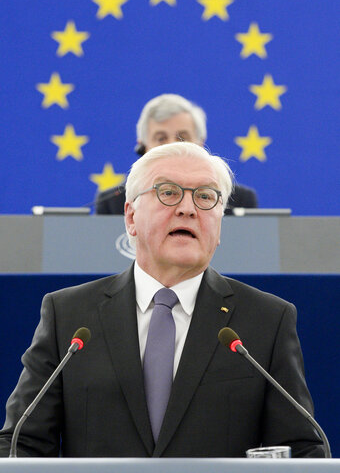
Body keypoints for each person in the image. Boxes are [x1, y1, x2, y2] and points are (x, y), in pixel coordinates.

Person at [0, 142, 324, 458]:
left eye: (206, 197)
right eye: (168, 192)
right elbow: (20, 445)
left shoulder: (267, 320)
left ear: (220, 223)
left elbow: (302, 450)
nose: (188, 208)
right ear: (130, 217)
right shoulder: (69, 316)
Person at [96, 94, 257, 215]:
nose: (172, 145)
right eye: (161, 138)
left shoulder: (238, 200)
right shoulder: (113, 203)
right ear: (143, 147)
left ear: (201, 144)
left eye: (182, 137)